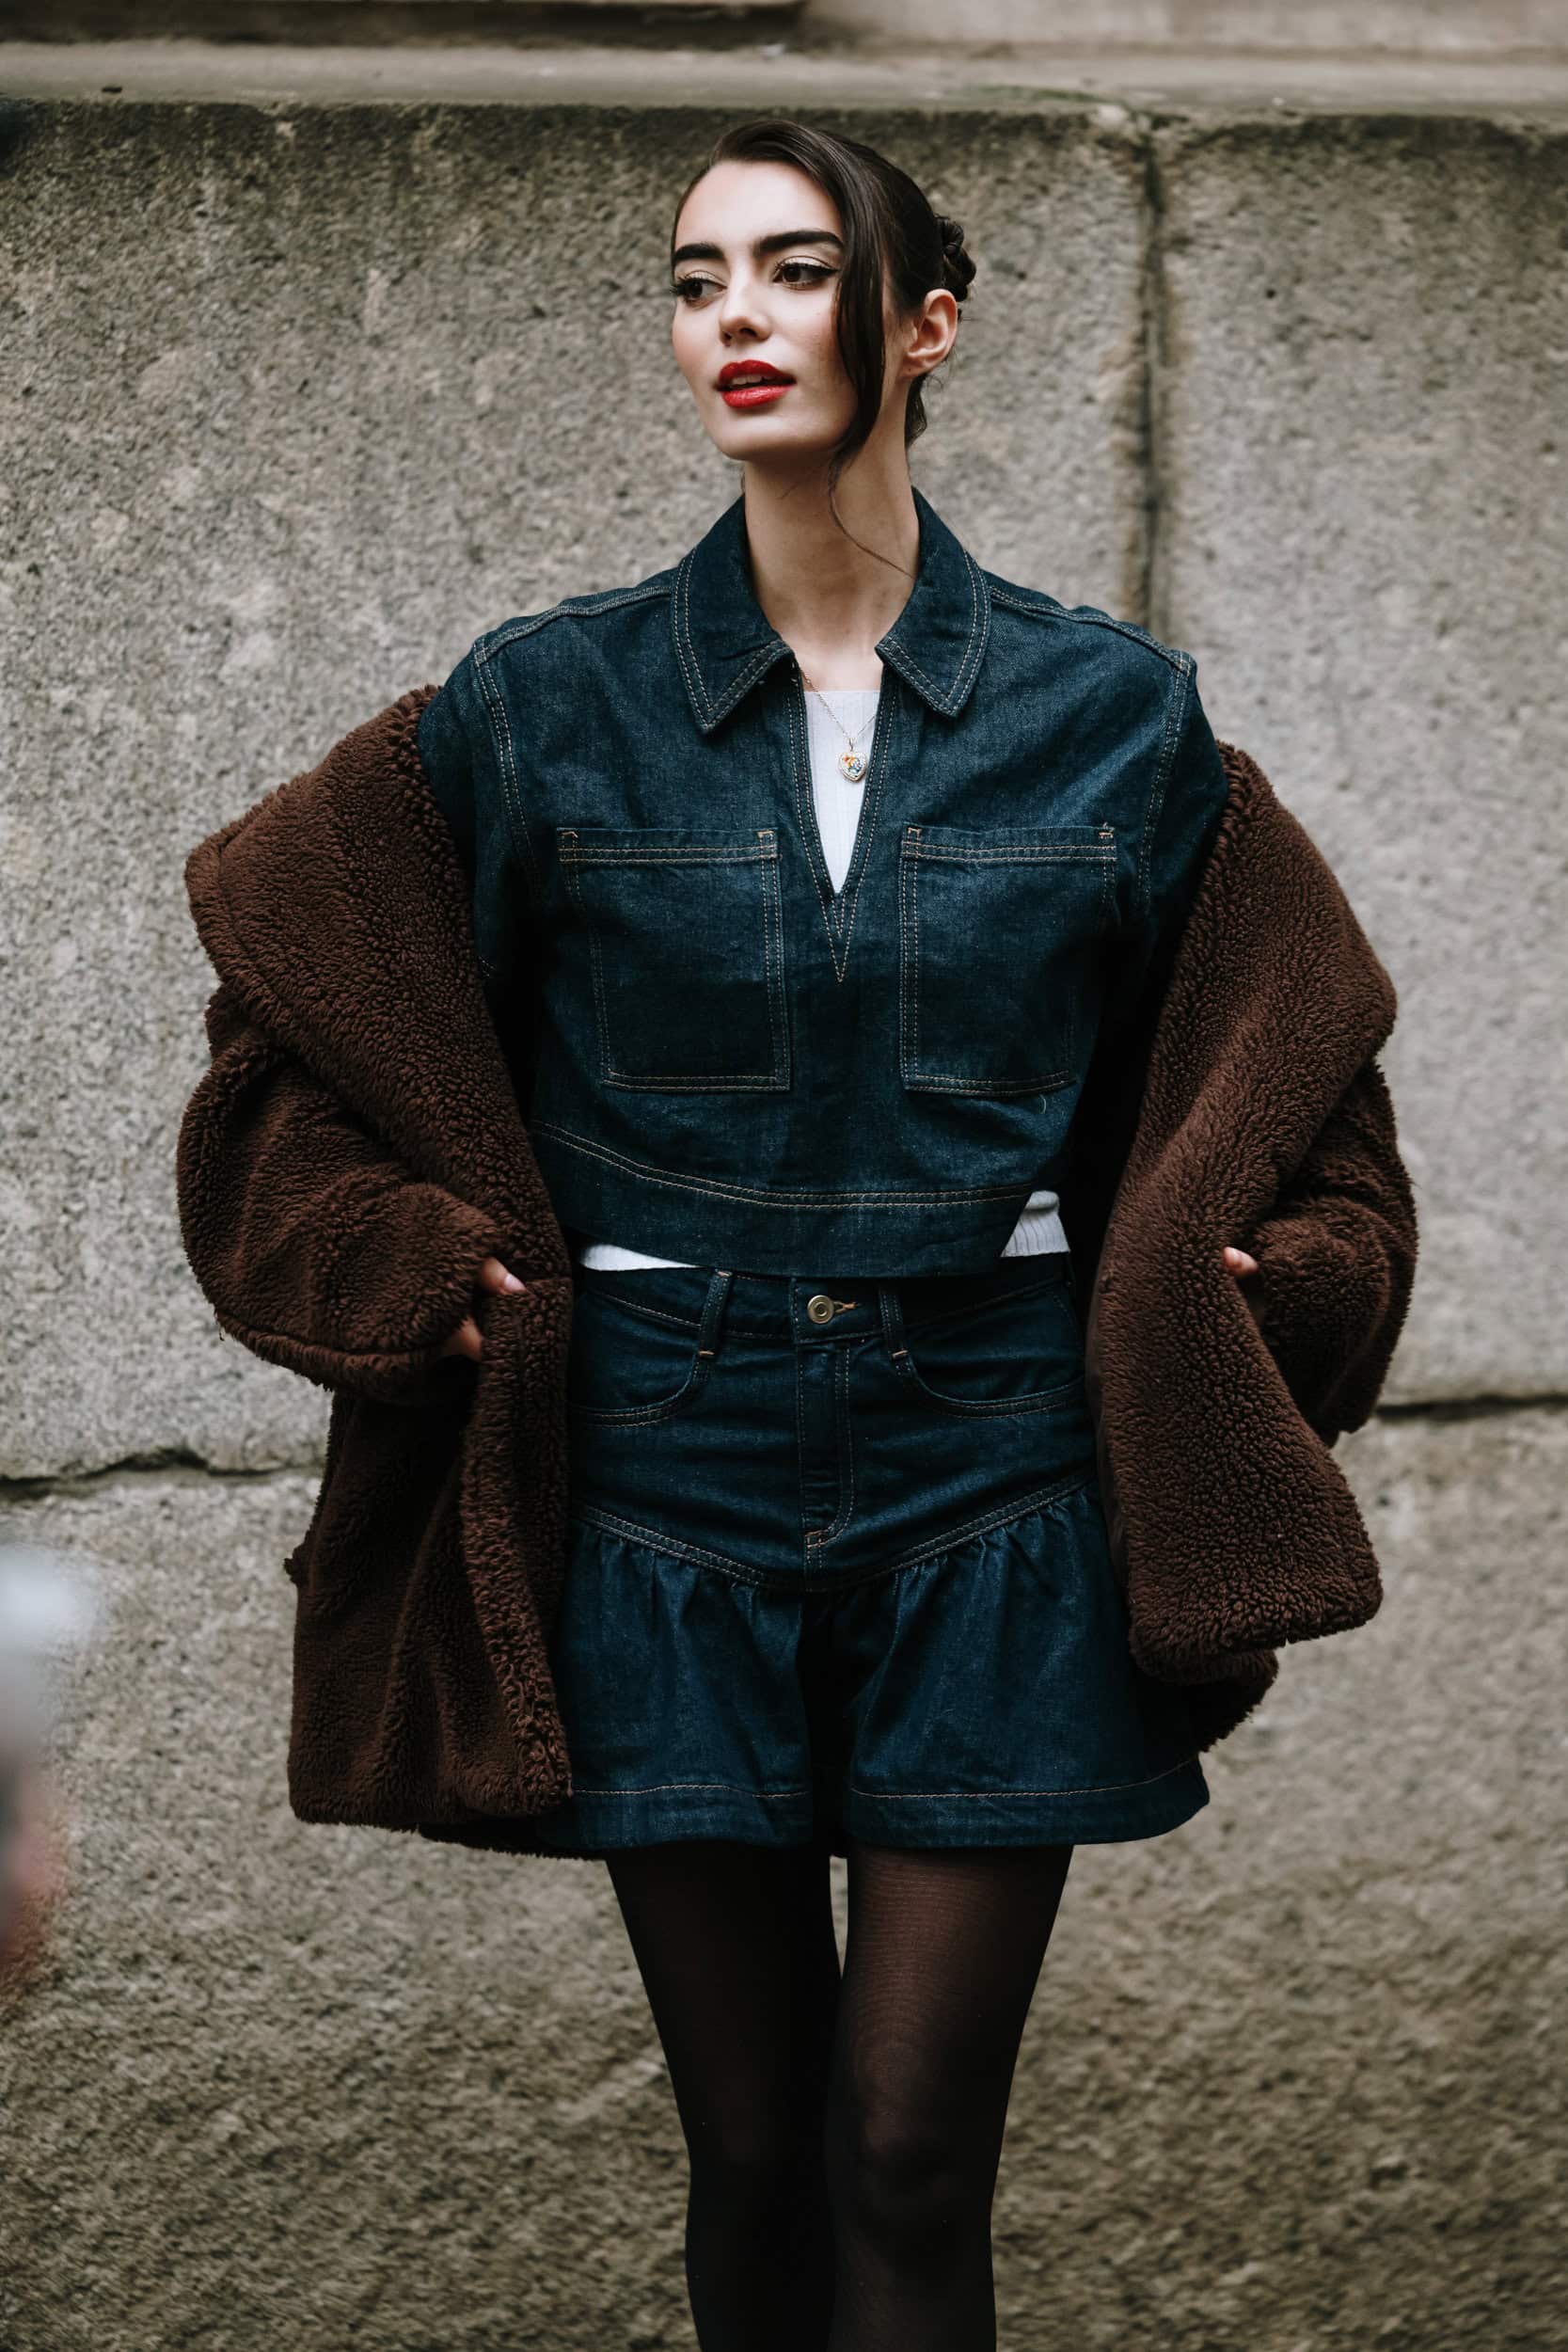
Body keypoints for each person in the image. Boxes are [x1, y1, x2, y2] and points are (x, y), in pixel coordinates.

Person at [405, 117, 1276, 2352]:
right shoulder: (539, 700)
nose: (737, 319)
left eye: (796, 270)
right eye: (697, 279)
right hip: (663, 1469)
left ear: (925, 322)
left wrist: (1250, 1276)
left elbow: (1272, 1058)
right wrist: (400, 1256)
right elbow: (332, 1017)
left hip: (990, 1466)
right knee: (760, 2146)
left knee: (908, 2146)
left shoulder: (1115, 713)